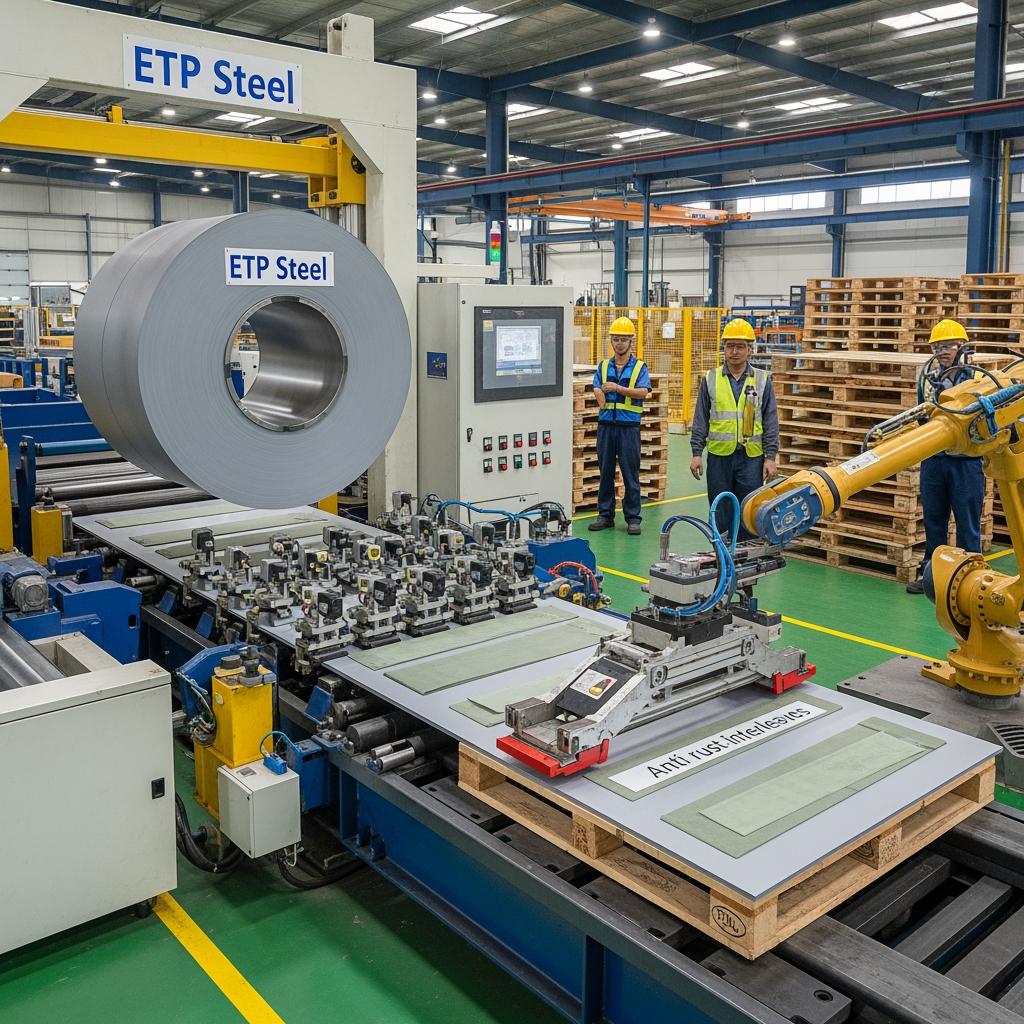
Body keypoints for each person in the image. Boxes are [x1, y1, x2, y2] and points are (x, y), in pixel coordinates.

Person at [906, 319, 986, 594]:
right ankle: (932, 576)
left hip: (966, 462)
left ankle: (972, 581)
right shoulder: (928, 380)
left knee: (967, 524)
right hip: (934, 460)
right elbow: (921, 414)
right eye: (937, 347)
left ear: (962, 347)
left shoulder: (977, 380)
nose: (942, 352)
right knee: (934, 520)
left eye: (948, 346)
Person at [690, 318, 779, 538]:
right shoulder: (710, 379)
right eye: (730, 346)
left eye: (740, 346)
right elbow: (700, 418)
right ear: (724, 348)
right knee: (720, 508)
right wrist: (696, 453)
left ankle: (745, 552)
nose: (734, 352)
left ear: (750, 349)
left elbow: (770, 421)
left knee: (748, 508)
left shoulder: (762, 380)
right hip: (719, 456)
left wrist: (770, 457)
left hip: (751, 458)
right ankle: (721, 549)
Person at [588, 316, 651, 536]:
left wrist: (617, 388)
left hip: (628, 428)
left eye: (624, 339)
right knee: (605, 472)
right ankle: (605, 515)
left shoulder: (639, 367)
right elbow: (596, 386)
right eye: (616, 339)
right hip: (606, 426)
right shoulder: (604, 366)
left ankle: (633, 518)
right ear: (611, 341)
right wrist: (599, 393)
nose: (620, 343)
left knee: (630, 474)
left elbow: (643, 392)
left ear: (631, 341)